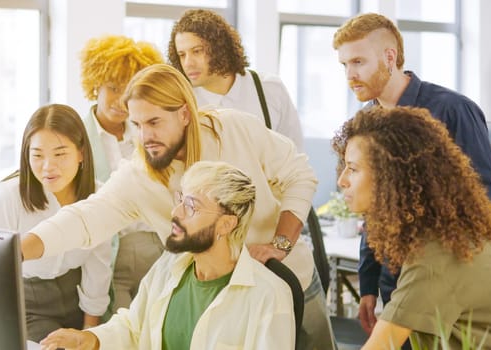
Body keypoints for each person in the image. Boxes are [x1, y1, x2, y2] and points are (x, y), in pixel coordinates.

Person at [20, 63, 335, 349]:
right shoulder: (139, 175)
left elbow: (299, 175)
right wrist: (19, 250)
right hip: (205, 291)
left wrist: (280, 244)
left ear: (185, 114)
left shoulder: (233, 129)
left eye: (154, 121)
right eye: (137, 125)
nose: (145, 137)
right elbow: (85, 218)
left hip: (287, 281)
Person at [332, 12, 491, 336]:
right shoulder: (368, 121)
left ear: (390, 56)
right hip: (394, 285)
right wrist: (368, 282)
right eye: (344, 65)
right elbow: (375, 211)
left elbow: (489, 204)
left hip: (448, 287)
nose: (350, 74)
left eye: (358, 62)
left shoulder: (453, 110)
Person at [332, 106, 491, 349]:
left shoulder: (434, 259)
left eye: (352, 169)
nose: (342, 180)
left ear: (391, 176)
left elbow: (380, 346)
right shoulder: (461, 231)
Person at [39, 161, 296, 349]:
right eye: (181, 199)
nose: (176, 212)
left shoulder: (269, 296)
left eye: (192, 206)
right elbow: (134, 326)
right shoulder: (170, 265)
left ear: (226, 225)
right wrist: (90, 339)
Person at [0, 104, 112, 342]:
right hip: (26, 301)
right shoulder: (8, 196)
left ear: (81, 153)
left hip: (77, 297)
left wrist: (88, 334)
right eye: (38, 155)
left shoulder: (99, 197)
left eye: (60, 154)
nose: (48, 166)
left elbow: (97, 269)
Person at [80, 34, 165, 312]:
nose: (120, 101)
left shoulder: (148, 131)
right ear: (96, 85)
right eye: (113, 88)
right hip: (112, 255)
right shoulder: (77, 137)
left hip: (160, 248)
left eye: (128, 91)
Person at [168, 9, 304, 150]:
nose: (188, 63)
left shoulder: (269, 89)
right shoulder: (180, 101)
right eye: (182, 55)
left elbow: (295, 154)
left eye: (197, 51)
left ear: (220, 48)